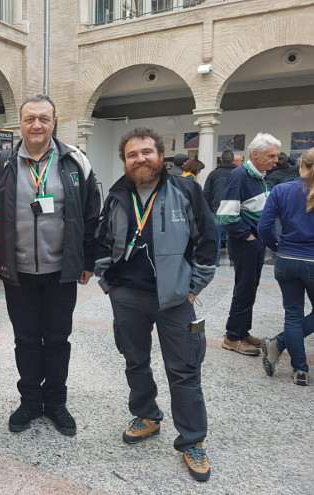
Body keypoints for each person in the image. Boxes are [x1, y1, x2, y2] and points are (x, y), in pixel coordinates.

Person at [94, 127, 217, 482]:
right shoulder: (118, 194)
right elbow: (101, 241)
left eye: (147, 152)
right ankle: (147, 415)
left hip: (175, 299)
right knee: (135, 361)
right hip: (128, 296)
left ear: (161, 155)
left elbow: (208, 239)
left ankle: (193, 440)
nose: (140, 159)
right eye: (132, 155)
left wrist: (195, 286)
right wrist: (108, 283)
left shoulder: (185, 189)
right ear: (125, 161)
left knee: (184, 370)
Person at [0, 94, 100, 436]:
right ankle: (30, 401)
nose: (37, 124)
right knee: (26, 339)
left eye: (44, 119)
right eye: (30, 118)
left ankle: (56, 403)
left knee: (58, 339)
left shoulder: (75, 161)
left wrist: (88, 260)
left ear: (54, 122)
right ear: (20, 123)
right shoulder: (1, 162)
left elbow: (92, 215)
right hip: (17, 272)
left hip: (61, 272)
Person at [217, 132, 280, 356]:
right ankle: (232, 337)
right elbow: (226, 216)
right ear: (255, 154)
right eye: (271, 155)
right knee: (244, 289)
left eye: (276, 156)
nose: (275, 160)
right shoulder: (239, 175)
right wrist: (248, 236)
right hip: (246, 243)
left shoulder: (260, 175)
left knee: (250, 288)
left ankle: (242, 331)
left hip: (255, 242)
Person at [258, 148, 314, 386]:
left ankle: (299, 368)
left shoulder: (281, 190)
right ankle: (280, 346)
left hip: (286, 260)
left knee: (292, 315)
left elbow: (264, 228)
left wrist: (276, 246)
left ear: (301, 164)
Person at [203, 150, 237, 266]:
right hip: (235, 209)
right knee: (233, 236)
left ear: (221, 160)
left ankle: (216, 260)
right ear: (233, 160)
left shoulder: (213, 174)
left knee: (215, 236)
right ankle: (234, 260)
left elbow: (206, 192)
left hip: (216, 208)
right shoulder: (239, 173)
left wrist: (208, 207)